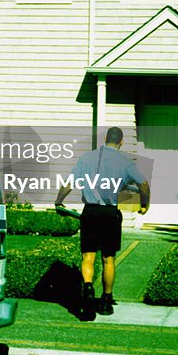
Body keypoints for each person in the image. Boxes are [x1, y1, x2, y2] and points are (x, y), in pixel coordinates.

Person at [54, 127, 150, 318]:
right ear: (121, 142)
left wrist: (58, 201)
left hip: (90, 212)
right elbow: (144, 184)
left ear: (105, 139)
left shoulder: (86, 158)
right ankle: (106, 301)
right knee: (108, 259)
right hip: (109, 213)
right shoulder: (125, 162)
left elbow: (69, 183)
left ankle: (88, 287)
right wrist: (144, 204)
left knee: (88, 257)